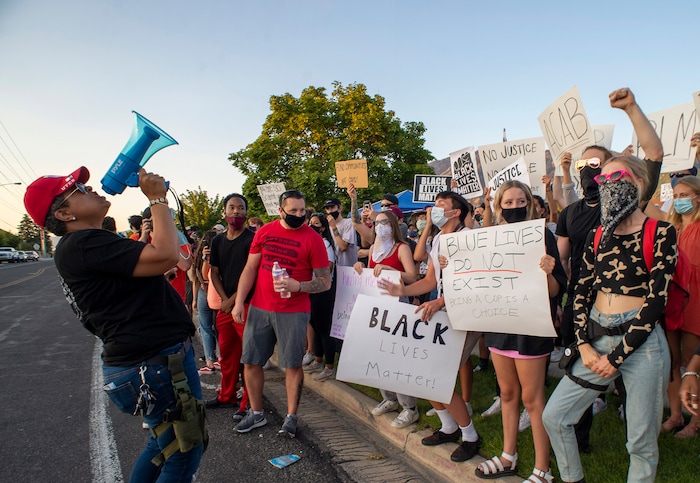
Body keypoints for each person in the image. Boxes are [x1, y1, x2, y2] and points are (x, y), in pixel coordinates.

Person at [24, 167, 204, 481]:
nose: (90, 188)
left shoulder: (84, 244)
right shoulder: (84, 242)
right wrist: (157, 199)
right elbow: (165, 255)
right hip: (155, 361)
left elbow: (138, 275)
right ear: (64, 213)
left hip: (146, 360)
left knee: (162, 445)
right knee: (183, 450)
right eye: (78, 189)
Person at [543, 155, 676, 483]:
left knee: (640, 442)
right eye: (602, 179)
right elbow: (580, 291)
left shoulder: (661, 232)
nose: (607, 184)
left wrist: (617, 357)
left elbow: (656, 301)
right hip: (597, 336)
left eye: (617, 177)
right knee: (555, 416)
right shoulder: (597, 234)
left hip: (642, 346)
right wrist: (583, 345)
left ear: (639, 182)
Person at [555, 87, 663, 453]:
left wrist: (631, 109)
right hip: (587, 313)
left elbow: (654, 155)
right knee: (566, 402)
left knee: (638, 425)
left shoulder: (630, 203)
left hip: (633, 324)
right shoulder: (575, 211)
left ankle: (626, 410)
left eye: (596, 164)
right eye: (584, 167)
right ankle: (580, 441)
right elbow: (574, 267)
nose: (590, 172)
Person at [378, 192, 483, 462]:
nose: (433, 210)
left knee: (439, 378)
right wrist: (401, 290)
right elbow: (430, 281)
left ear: (455, 212)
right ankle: (448, 427)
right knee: (424, 374)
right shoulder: (437, 240)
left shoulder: (468, 238)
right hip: (444, 314)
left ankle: (470, 436)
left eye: (440, 206)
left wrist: (441, 301)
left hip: (465, 315)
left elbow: (475, 283)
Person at [474, 181, 566, 483]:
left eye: (520, 201)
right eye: (508, 202)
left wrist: (549, 271)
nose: (515, 207)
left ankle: (543, 469)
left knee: (532, 399)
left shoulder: (543, 236)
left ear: (530, 203)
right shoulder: (490, 237)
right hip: (500, 325)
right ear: (499, 206)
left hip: (530, 328)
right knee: (508, 393)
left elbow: (555, 290)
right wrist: (452, 264)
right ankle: (508, 455)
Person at [232, 189, 331, 438]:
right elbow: (250, 268)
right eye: (293, 210)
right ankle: (256, 413)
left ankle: (291, 417)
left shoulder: (313, 239)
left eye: (302, 210)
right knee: (251, 360)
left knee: (292, 364)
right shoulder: (264, 232)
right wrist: (239, 302)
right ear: (280, 211)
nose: (299, 215)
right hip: (260, 307)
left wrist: (299, 286)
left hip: (293, 311)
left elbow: (325, 282)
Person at [353, 209, 419, 428]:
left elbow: (412, 277)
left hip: (397, 306)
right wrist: (361, 267)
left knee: (396, 357)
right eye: (377, 223)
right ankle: (389, 398)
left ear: (393, 225)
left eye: (385, 222)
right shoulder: (373, 249)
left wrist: (391, 269)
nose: (380, 226)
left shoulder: (401, 248)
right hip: (377, 307)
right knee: (378, 354)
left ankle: (409, 407)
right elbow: (371, 274)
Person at [206, 194, 255, 423]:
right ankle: (226, 396)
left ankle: (247, 403)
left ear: (246, 212)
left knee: (249, 357)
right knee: (227, 356)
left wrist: (234, 301)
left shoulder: (252, 239)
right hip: (226, 308)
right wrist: (225, 300)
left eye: (241, 208)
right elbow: (214, 273)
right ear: (224, 212)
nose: (236, 212)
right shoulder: (217, 241)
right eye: (232, 207)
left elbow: (252, 274)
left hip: (246, 305)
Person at [664, 175, 700, 438]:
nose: (679, 201)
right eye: (676, 196)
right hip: (672, 300)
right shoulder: (671, 228)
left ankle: (696, 420)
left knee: (691, 364)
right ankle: (676, 415)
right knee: (671, 362)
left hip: (695, 301)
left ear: (698, 197)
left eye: (685, 195)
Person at [303, 213, 338, 382]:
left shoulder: (325, 244)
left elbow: (328, 267)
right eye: (310, 222)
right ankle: (318, 359)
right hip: (311, 290)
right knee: (315, 326)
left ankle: (329, 366)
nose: (311, 226)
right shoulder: (311, 242)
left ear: (323, 227)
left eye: (316, 223)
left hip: (323, 291)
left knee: (324, 328)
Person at [194, 229, 219, 374]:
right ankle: (219, 359)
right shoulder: (219, 251)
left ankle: (210, 360)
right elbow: (204, 276)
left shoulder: (199, 256)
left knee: (206, 328)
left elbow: (200, 277)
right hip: (214, 292)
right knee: (216, 327)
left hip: (205, 292)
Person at [323, 197, 358, 267]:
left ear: (340, 208)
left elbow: (343, 247)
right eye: (327, 209)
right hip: (334, 267)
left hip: (348, 268)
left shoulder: (348, 223)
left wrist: (334, 227)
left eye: (332, 207)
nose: (330, 211)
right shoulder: (327, 227)